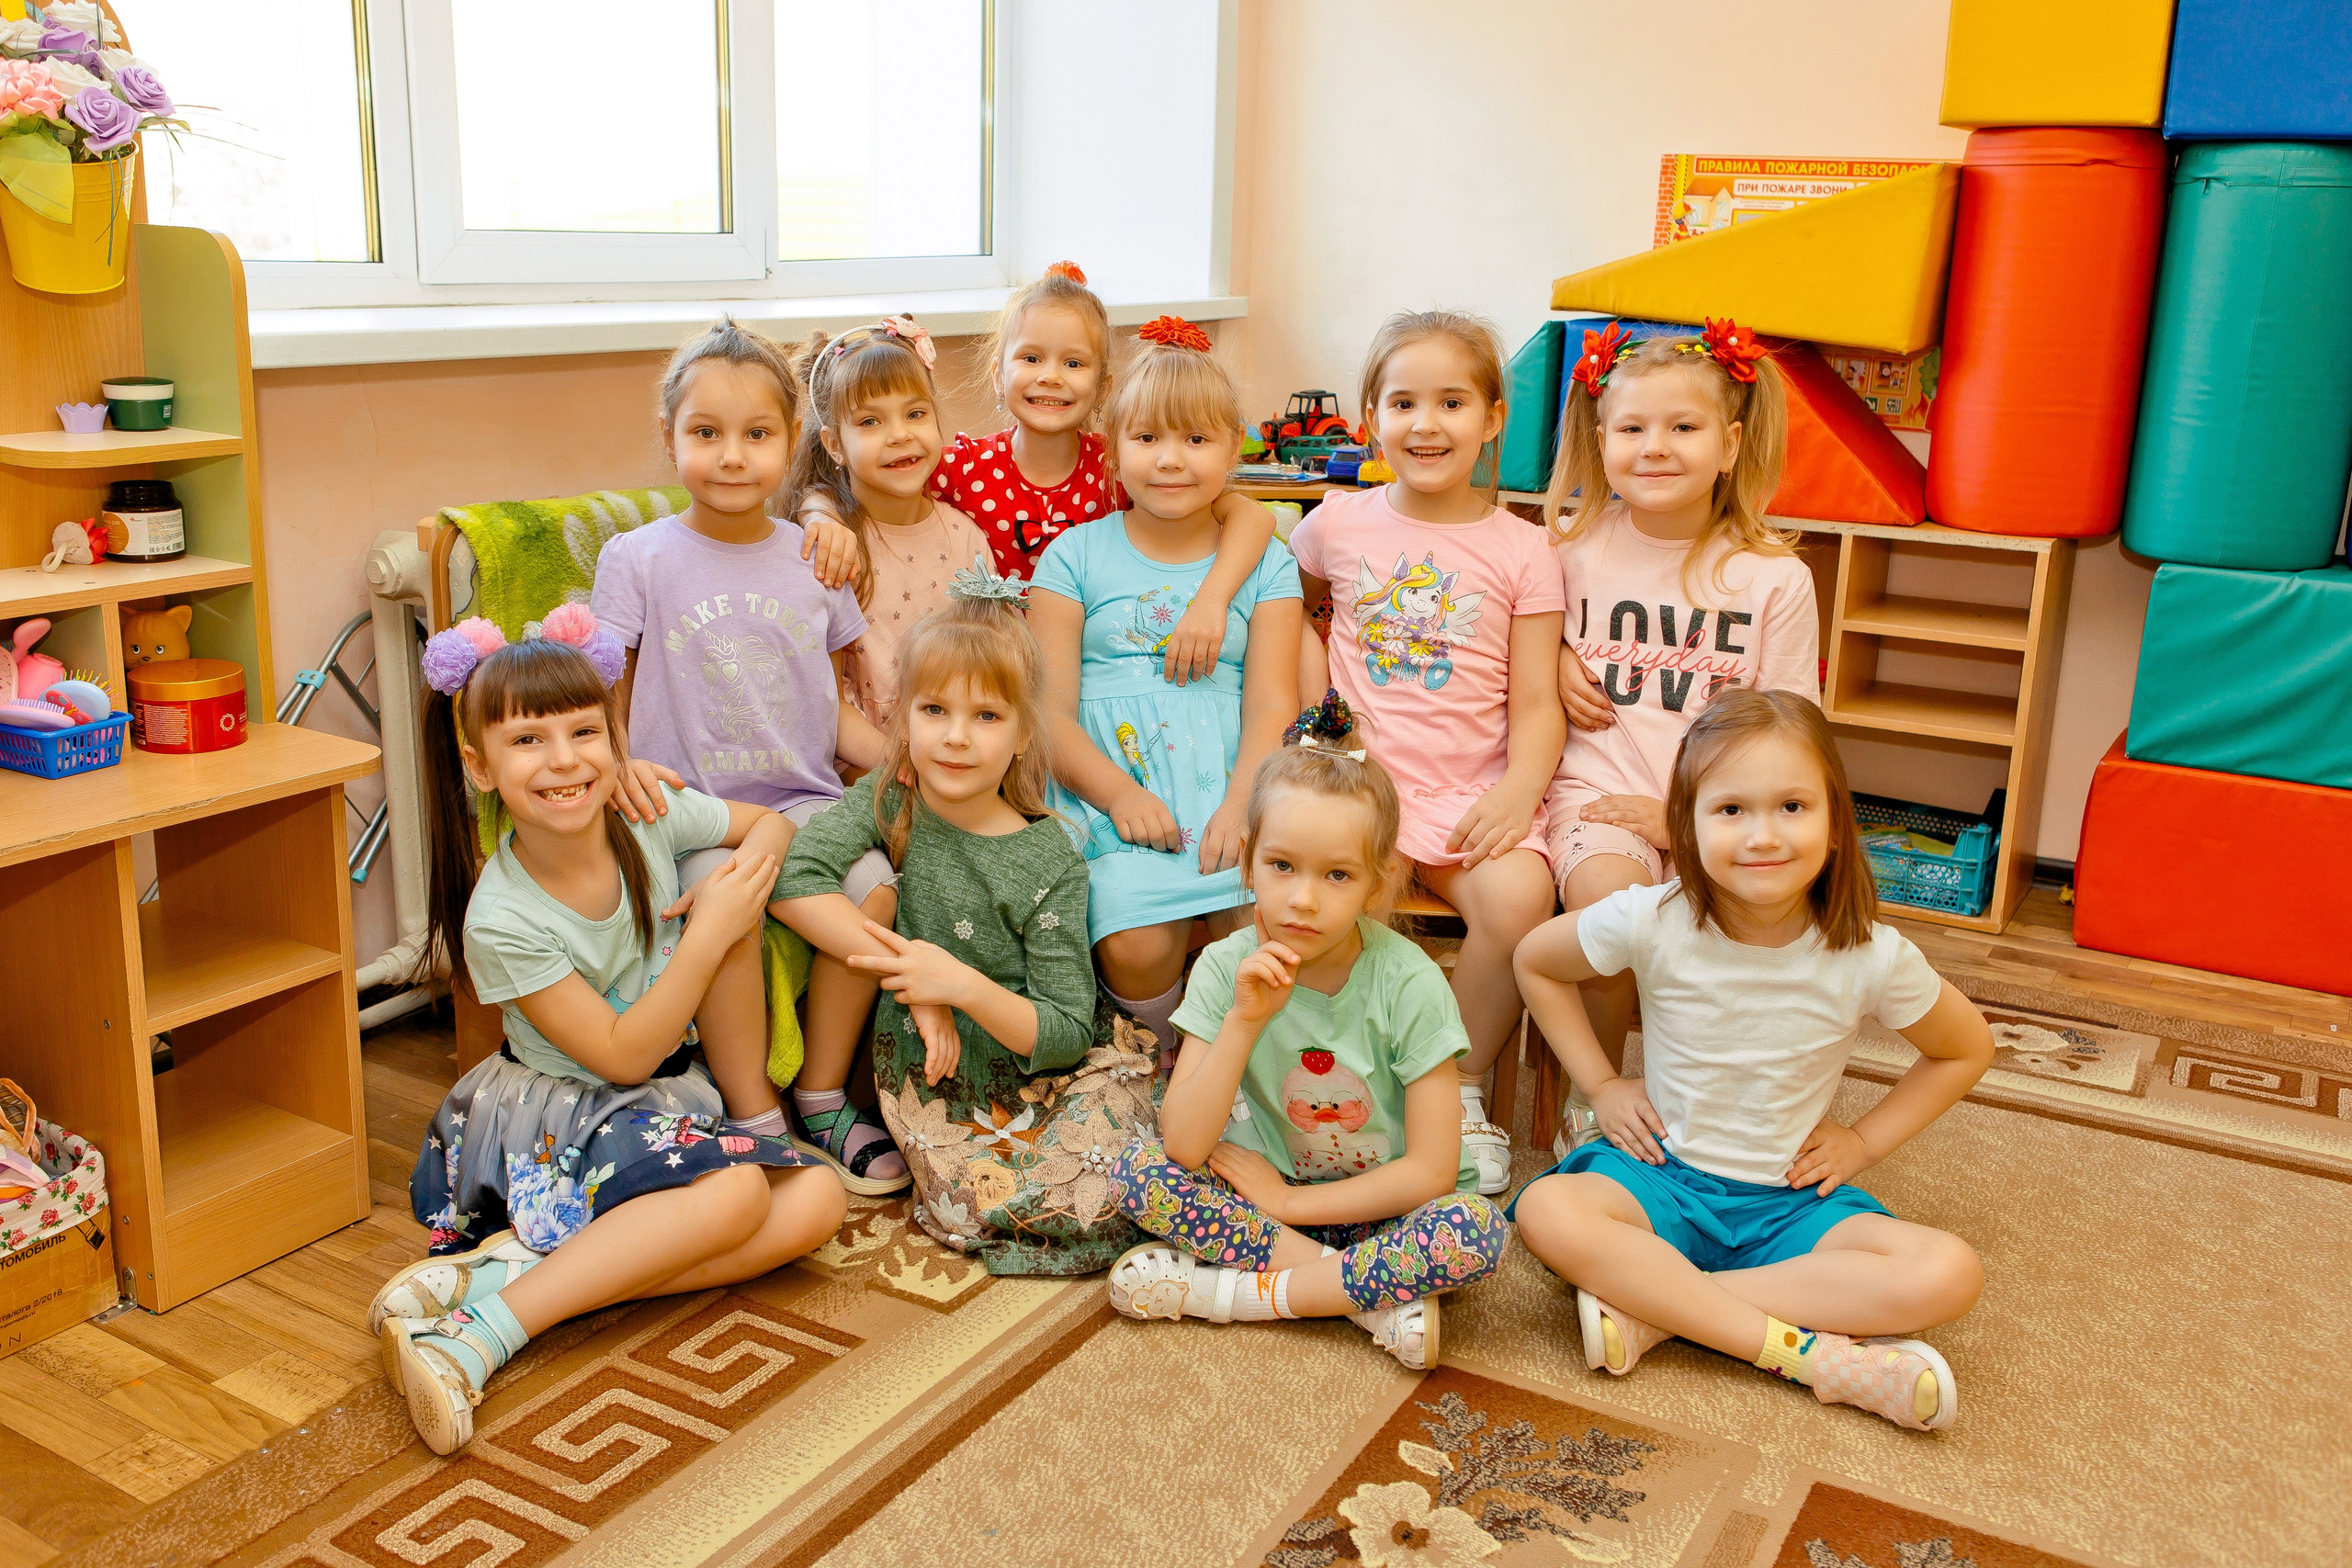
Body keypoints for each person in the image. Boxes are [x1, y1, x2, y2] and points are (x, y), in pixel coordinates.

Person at [375, 617, 844, 1455]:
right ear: (480, 768)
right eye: (528, 740)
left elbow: (769, 825)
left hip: (657, 1092)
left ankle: (523, 1275)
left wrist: (740, 878)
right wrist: (709, 934)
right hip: (564, 1114)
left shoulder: (643, 814)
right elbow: (624, 1055)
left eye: (584, 732)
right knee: (738, 1197)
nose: (563, 760)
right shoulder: (501, 916)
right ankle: (483, 1333)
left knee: (820, 1201)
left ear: (616, 740)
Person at [1510, 689, 1991, 1431]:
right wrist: (1600, 1083)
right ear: (1687, 826)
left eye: (1792, 806)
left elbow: (1966, 1048)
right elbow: (1535, 961)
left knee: (1951, 1271)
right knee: (1548, 1210)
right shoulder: (1653, 917)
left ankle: (1662, 1309)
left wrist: (1863, 1141)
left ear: (1836, 824)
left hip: (1790, 1203)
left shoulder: (1871, 953)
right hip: (1662, 1180)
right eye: (1731, 809)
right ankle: (1806, 1356)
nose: (1763, 835)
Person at [768, 567, 1158, 1274]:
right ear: (903, 718)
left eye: (986, 716)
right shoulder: (893, 799)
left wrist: (958, 985)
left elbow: (1065, 1030)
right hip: (943, 1079)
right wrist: (916, 978)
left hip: (1041, 1064)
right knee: (977, 1201)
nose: (955, 737)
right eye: (934, 710)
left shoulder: (1049, 858)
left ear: (1023, 733)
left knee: (1110, 1179)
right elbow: (794, 877)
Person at [592, 318, 905, 1194]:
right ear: (669, 437)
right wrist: (617, 761)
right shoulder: (638, 559)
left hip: (805, 801)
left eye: (757, 434)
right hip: (694, 808)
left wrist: (904, 763)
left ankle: (823, 1095)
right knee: (722, 909)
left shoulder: (813, 560)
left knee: (876, 885)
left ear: (793, 440)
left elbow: (832, 710)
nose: (732, 456)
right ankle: (752, 1110)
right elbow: (603, 687)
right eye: (706, 433)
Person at [1106, 693, 1509, 1371]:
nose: (1302, 898)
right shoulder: (1224, 967)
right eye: (1282, 866)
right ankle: (1360, 1294)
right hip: (1269, 1193)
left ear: (1376, 885)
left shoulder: (1410, 981)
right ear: (1248, 865)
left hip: (1384, 1209)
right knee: (1139, 1173)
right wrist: (1245, 1021)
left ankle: (1241, 1296)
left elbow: (1433, 1170)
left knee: (1474, 1231)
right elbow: (1184, 1143)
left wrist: (1289, 1204)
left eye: (1337, 875)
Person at [1291, 310, 1566, 1195]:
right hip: (1355, 785)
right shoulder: (1333, 525)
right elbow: (1297, 613)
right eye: (1403, 402)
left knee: (1521, 899)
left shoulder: (1525, 548)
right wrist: (1317, 727)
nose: (1426, 424)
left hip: (1469, 790)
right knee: (1314, 911)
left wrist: (1519, 790)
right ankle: (1330, 1086)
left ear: (1492, 418)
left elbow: (1537, 700)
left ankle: (1462, 1087)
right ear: (1371, 415)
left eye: (1452, 402)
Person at [1541, 319, 1815, 1147]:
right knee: (1615, 909)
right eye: (1632, 428)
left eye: (1683, 427)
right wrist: (1554, 654)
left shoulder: (1774, 577)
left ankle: (1709, 1095)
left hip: (1724, 809)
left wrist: (1689, 819)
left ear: (1729, 444)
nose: (1655, 447)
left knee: (1735, 926)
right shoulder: (1566, 550)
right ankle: (1594, 1097)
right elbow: (1509, 640)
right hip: (1596, 793)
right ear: (1601, 443)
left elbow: (1792, 733)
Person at [1027, 315, 1302, 1064]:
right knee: (1138, 943)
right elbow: (1047, 713)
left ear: (1234, 447)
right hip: (1111, 795)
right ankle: (1163, 1058)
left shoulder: (1267, 565)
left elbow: (1272, 705)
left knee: (1265, 937)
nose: (1171, 460)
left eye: (1196, 439)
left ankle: (1237, 1070)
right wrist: (1118, 794)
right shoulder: (1074, 555)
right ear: (1111, 447)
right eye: (1146, 437)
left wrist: (1243, 806)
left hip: (1234, 791)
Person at [798, 263, 1278, 688]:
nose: (1050, 376)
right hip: (991, 676)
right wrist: (820, 514)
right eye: (1031, 359)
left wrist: (1212, 599)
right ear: (998, 375)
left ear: (1103, 387)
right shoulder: (962, 467)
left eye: (1073, 362)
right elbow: (860, 481)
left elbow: (1252, 517)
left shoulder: (1121, 465)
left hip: (1094, 670)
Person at [780, 317, 991, 731]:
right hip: (865, 755)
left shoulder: (966, 536)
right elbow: (824, 702)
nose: (899, 435)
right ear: (834, 445)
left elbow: (996, 664)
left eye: (915, 413)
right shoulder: (832, 544)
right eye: (870, 422)